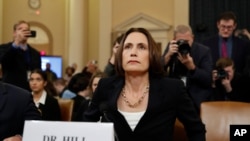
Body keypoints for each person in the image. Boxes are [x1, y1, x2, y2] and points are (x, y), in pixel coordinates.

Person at [82, 27, 206, 141]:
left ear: (151, 55)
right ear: (120, 55)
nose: (133, 52)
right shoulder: (105, 86)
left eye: (141, 47)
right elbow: (86, 127)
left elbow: (196, 130)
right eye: (127, 47)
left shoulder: (173, 88)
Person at [162, 24, 213, 111]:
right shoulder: (171, 48)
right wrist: (168, 55)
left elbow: (208, 80)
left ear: (192, 37)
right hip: (175, 98)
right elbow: (158, 70)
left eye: (187, 41)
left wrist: (192, 67)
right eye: (181, 41)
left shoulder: (203, 51)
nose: (184, 44)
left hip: (196, 102)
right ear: (174, 39)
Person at [0, 20, 41, 91]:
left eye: (26, 30)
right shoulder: (4, 48)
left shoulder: (35, 53)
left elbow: (37, 72)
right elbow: (5, 62)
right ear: (14, 33)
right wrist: (17, 42)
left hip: (28, 90)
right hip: (10, 89)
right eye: (20, 29)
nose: (24, 31)